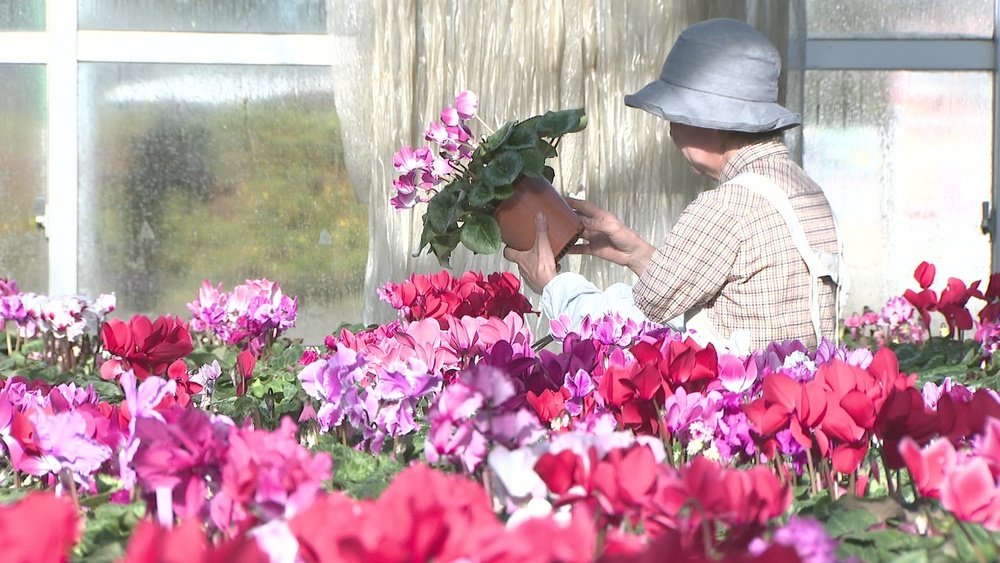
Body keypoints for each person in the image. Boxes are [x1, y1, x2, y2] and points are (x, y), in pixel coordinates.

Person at [504, 18, 848, 354]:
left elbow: (624, 333)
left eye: (674, 116)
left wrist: (551, 284)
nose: (670, 131)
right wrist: (639, 255)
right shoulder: (806, 194)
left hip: (737, 407)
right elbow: (729, 287)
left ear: (708, 120)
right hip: (792, 399)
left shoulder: (726, 208)